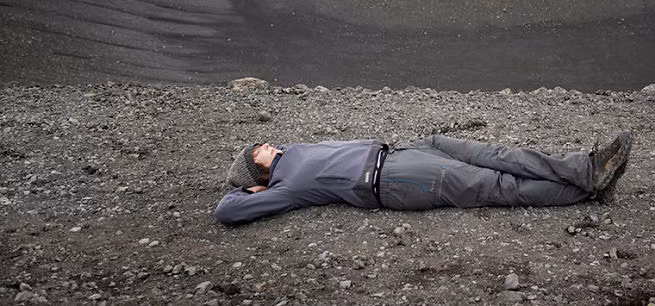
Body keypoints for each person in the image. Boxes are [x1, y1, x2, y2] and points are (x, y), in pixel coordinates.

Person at [215, 133, 633, 225]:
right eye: (259, 153)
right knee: (497, 186)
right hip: (395, 180)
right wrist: (253, 191)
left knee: (499, 156)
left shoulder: (296, 152)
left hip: (406, 150)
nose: (266, 146)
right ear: (259, 172)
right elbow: (228, 211)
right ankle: (585, 190)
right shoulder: (286, 187)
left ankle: (587, 167)